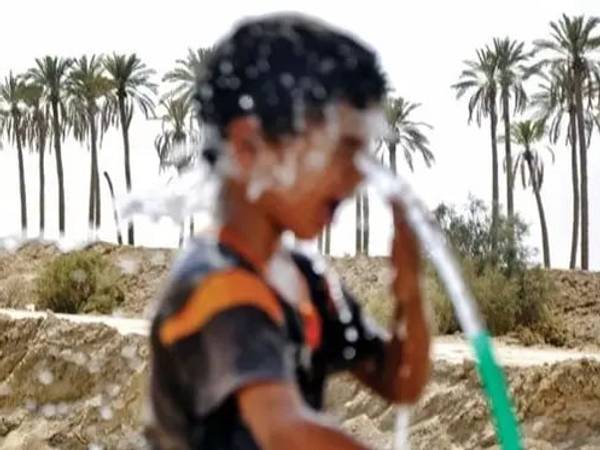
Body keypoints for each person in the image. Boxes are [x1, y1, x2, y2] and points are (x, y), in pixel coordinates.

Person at [146, 13, 431, 450]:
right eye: (345, 148)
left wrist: (409, 290)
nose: (359, 175)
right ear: (250, 147)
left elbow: (401, 380)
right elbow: (285, 433)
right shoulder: (215, 285)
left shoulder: (307, 281)